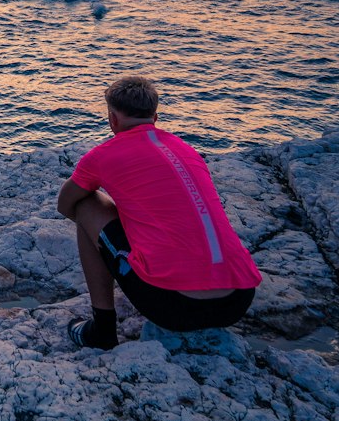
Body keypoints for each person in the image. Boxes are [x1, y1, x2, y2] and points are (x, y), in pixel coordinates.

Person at [57, 74, 261, 350]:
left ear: (112, 119)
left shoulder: (102, 155)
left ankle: (101, 330)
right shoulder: (187, 150)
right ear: (155, 117)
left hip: (174, 306)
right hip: (238, 301)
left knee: (87, 204)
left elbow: (66, 204)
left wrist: (121, 230)